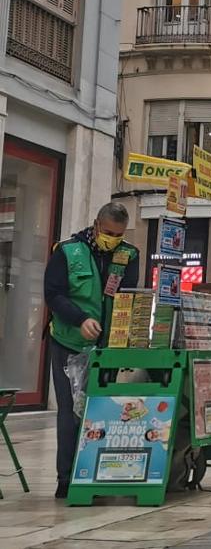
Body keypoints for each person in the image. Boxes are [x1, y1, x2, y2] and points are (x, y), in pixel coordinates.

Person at [44, 202, 140, 499]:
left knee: (104, 411)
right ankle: (66, 479)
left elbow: (129, 298)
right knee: (69, 412)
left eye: (119, 234)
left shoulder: (128, 255)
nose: (113, 238)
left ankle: (98, 473)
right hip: (69, 343)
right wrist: (80, 319)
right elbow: (53, 294)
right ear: (97, 224)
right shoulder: (67, 251)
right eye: (109, 232)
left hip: (108, 348)